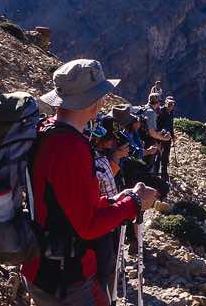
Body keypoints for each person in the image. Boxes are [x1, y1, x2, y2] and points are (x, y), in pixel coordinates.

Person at [22, 59, 157, 306]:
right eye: (102, 94)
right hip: (66, 277)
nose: (104, 101)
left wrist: (118, 199)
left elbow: (68, 204)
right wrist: (135, 202)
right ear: (92, 101)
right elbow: (89, 225)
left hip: (41, 263)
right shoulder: (70, 147)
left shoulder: (46, 130)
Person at [88, 116, 130, 296]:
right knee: (105, 267)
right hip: (104, 222)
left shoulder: (86, 157)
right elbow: (111, 194)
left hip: (86, 224)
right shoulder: (101, 162)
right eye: (111, 138)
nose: (114, 141)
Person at [140, 93, 172, 176]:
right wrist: (164, 138)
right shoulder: (151, 113)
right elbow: (152, 132)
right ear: (157, 103)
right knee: (149, 164)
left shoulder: (143, 108)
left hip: (140, 140)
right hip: (147, 142)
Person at [156, 96, 177, 178]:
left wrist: (172, 135)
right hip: (161, 136)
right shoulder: (161, 111)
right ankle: (157, 171)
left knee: (166, 154)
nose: (171, 106)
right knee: (159, 153)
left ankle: (164, 172)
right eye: (169, 104)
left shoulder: (171, 112)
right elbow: (157, 125)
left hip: (168, 136)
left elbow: (170, 124)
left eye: (172, 104)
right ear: (165, 103)